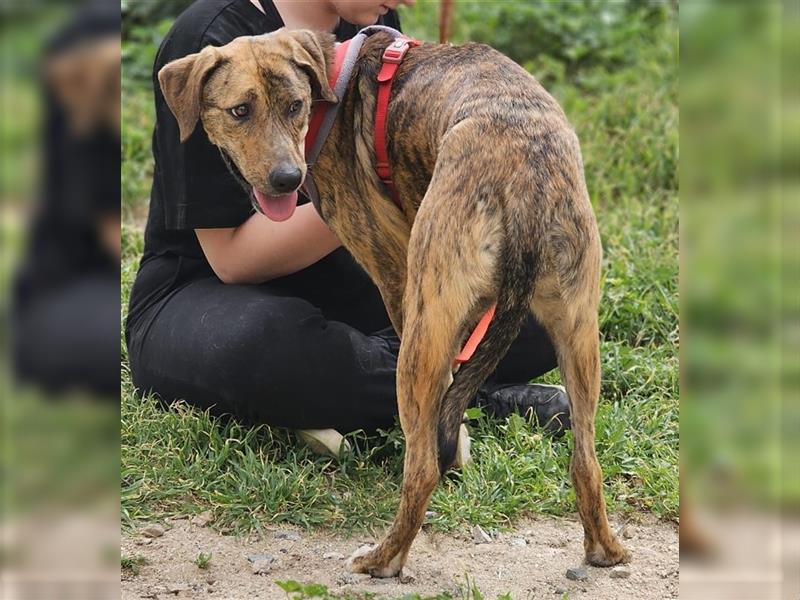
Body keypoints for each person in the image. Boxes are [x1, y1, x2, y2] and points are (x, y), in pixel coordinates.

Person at [125, 0, 570, 456]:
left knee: (531, 312)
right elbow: (233, 260)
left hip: (350, 276)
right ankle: (463, 394)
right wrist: (379, 192)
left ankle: (371, 390)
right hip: (206, 293)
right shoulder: (209, 39)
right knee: (265, 349)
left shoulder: (369, 22)